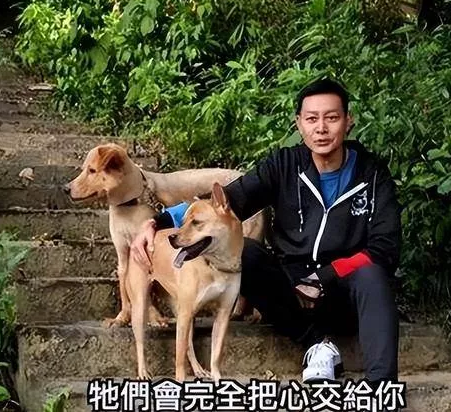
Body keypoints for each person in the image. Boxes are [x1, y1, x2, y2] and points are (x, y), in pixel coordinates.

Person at [129, 78, 402, 386]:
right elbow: (230, 201)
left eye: (332, 117)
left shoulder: (372, 174)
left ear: (348, 121)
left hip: (345, 293)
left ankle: (382, 388)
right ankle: (317, 344)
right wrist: (157, 222)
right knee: (244, 252)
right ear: (299, 124)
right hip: (292, 293)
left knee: (372, 273)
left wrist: (325, 276)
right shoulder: (284, 165)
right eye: (312, 119)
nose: (321, 128)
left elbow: (385, 249)